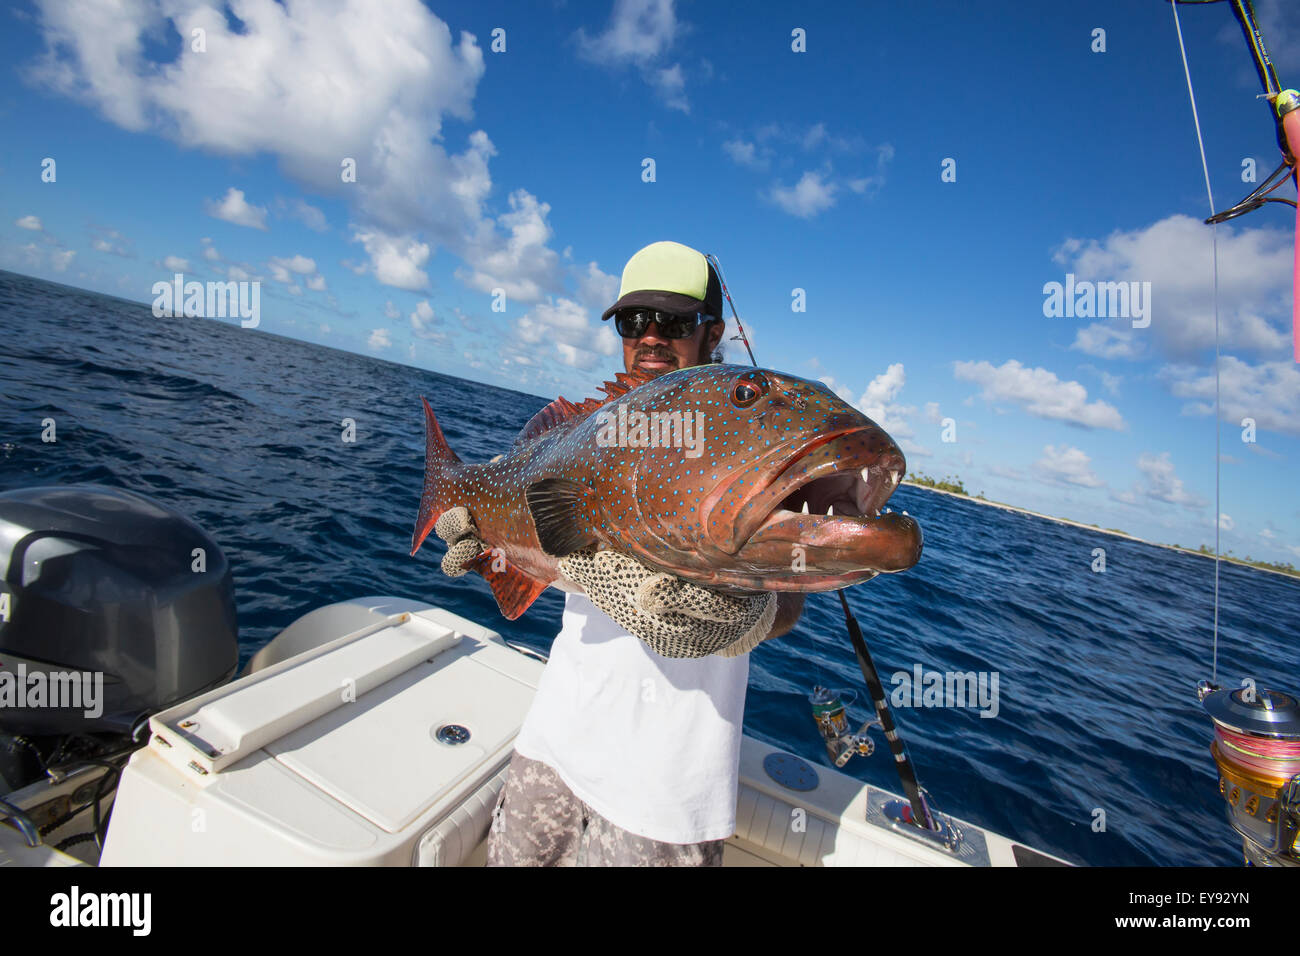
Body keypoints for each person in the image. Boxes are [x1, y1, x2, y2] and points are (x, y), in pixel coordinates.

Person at [482, 240, 805, 867]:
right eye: (634, 321)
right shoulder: (576, 432)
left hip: (665, 793)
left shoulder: (752, 436)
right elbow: (538, 544)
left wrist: (759, 615)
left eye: (675, 322)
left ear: (712, 335)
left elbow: (790, 588)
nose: (651, 337)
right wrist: (490, 542)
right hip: (552, 740)